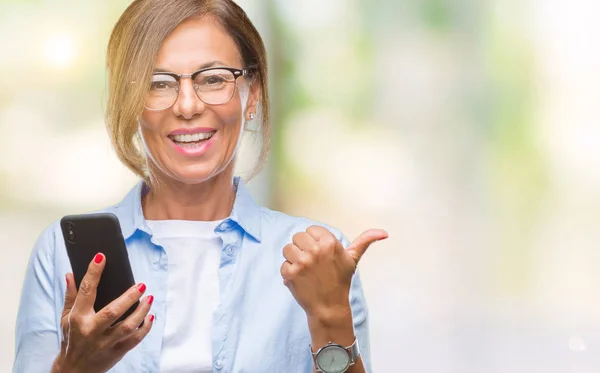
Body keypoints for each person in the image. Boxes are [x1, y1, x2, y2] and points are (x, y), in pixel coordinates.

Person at [13, 1, 388, 372]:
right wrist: (75, 368)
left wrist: (330, 317)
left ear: (252, 93)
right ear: (130, 101)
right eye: (158, 83)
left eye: (213, 79)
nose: (188, 106)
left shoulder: (320, 259)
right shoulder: (60, 252)